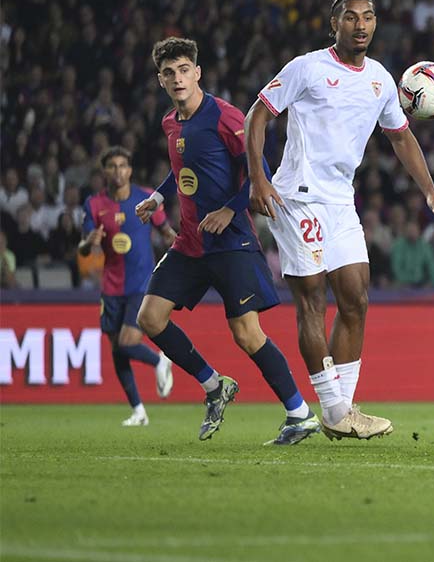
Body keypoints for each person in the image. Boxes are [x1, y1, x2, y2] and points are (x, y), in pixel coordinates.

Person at [244, 0, 434, 441]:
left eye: (369, 17)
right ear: (333, 24)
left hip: (340, 200)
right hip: (296, 196)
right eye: (351, 17)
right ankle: (334, 408)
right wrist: (258, 179)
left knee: (356, 298)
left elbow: (400, 138)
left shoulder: (379, 79)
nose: (361, 25)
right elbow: (257, 116)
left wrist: (431, 193)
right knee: (313, 301)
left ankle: (343, 409)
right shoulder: (307, 68)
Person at [134, 37, 318, 446]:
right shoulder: (171, 122)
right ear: (160, 80)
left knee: (247, 334)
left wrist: (231, 210)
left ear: (197, 73)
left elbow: (259, 169)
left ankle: (300, 414)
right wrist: (159, 196)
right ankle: (214, 385)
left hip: (231, 241)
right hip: (190, 243)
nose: (177, 78)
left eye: (184, 70)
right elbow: (182, 170)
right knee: (149, 318)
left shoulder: (225, 115)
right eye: (169, 73)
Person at [78, 146, 175, 426]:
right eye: (112, 166)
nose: (118, 171)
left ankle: (160, 362)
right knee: (117, 350)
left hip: (141, 284)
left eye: (123, 165)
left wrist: (182, 245)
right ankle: (139, 411)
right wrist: (89, 242)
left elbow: (166, 230)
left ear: (130, 170)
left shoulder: (145, 198)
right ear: (104, 172)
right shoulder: (94, 205)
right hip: (110, 288)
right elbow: (83, 248)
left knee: (127, 342)